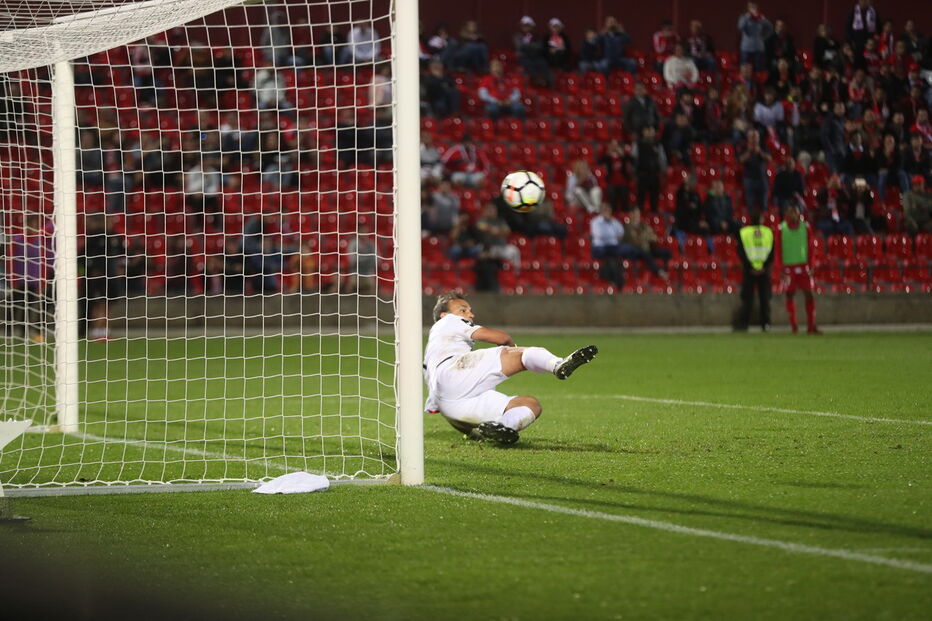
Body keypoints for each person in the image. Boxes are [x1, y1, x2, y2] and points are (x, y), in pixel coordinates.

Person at [423, 292, 598, 444]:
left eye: (469, 310)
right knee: (525, 353)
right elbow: (501, 337)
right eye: (463, 310)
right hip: (455, 370)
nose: (470, 314)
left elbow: (441, 407)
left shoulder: (430, 358)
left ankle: (503, 427)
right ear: (444, 315)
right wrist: (512, 350)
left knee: (530, 404)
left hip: (452, 403)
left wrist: (470, 431)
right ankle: (558, 365)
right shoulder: (448, 322)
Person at [778, 204, 820, 334]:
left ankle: (811, 326)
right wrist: (781, 269)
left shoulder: (805, 227)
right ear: (786, 214)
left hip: (803, 267)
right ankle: (794, 326)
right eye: (790, 212)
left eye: (795, 212)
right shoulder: (781, 229)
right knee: (789, 294)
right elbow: (778, 251)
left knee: (809, 294)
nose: (792, 215)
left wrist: (812, 265)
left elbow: (811, 248)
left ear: (799, 214)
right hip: (788, 268)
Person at [736, 210, 775, 332]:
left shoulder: (744, 233)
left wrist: (750, 267)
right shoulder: (768, 232)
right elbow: (772, 252)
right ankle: (765, 324)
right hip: (763, 270)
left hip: (749, 271)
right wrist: (764, 266)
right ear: (761, 219)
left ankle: (744, 324)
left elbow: (741, 252)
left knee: (747, 299)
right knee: (764, 299)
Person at [737, 2, 773, 71]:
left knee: (759, 69)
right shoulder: (744, 17)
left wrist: (764, 38)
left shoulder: (760, 18)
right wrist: (747, 17)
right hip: (746, 48)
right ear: (748, 9)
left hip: (758, 48)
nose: (753, 9)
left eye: (754, 7)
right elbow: (740, 27)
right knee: (745, 68)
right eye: (751, 7)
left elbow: (770, 28)